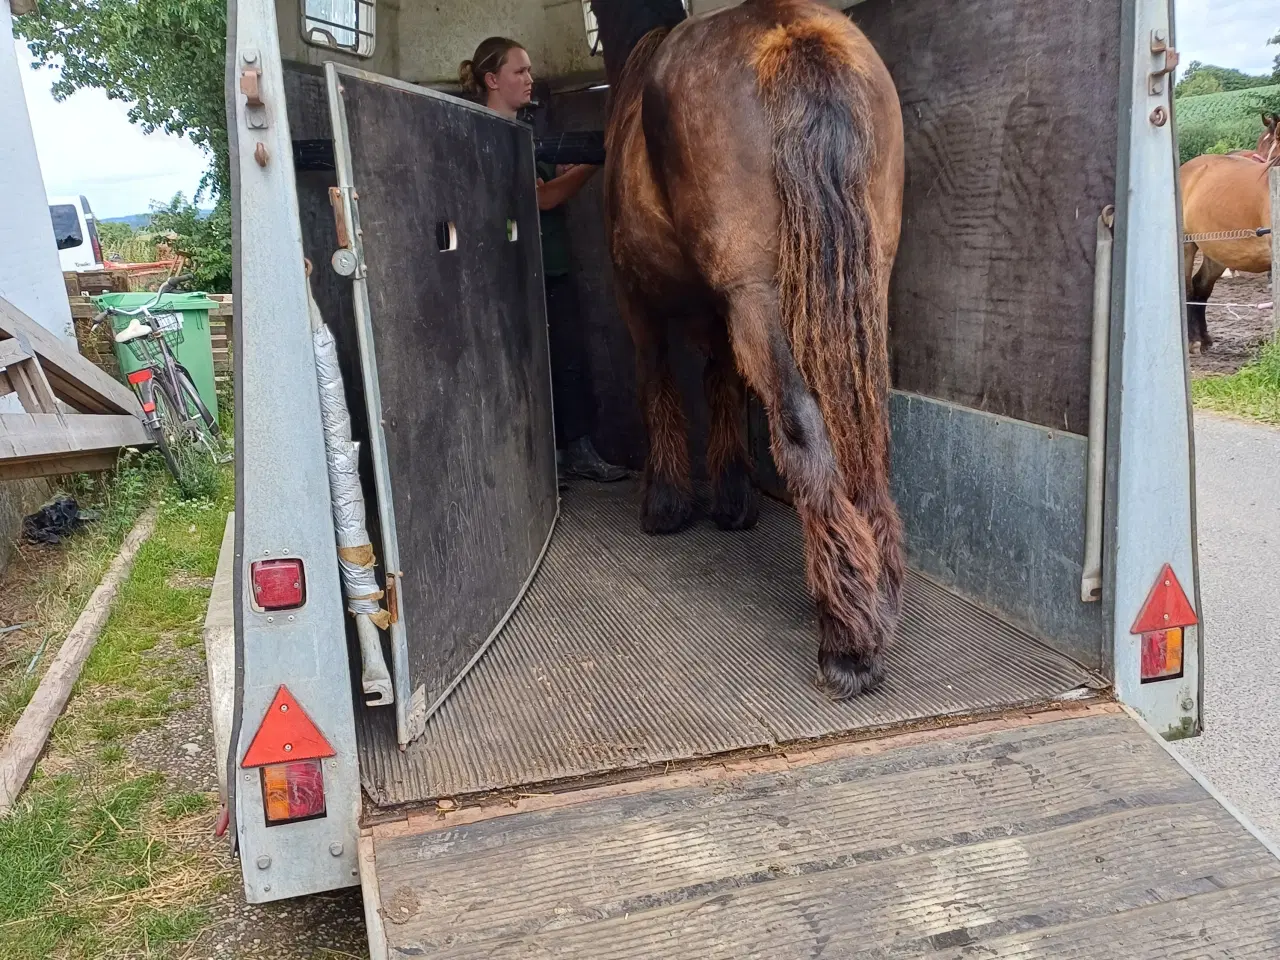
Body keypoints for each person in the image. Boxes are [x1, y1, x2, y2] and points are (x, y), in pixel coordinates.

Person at [459, 37, 627, 483]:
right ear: (493, 80)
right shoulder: (489, 135)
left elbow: (550, 180)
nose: (530, 79)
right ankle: (539, 464)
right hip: (513, 273)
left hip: (548, 265)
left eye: (529, 70)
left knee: (567, 361)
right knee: (528, 368)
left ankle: (573, 452)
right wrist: (598, 158)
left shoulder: (526, 133)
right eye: (520, 71)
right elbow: (545, 199)